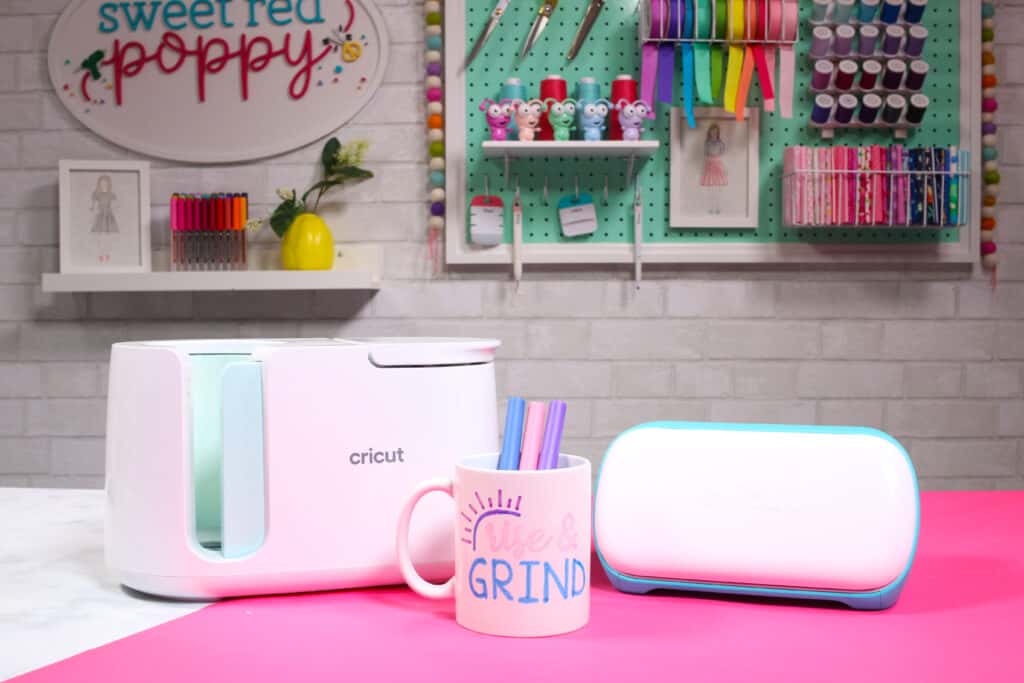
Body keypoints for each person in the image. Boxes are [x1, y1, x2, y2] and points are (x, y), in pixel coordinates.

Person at [700, 123, 728, 215]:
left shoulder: (721, 144)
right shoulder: (707, 144)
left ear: (718, 132)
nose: (714, 133)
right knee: (710, 190)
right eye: (712, 132)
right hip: (710, 167)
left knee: (719, 190)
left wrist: (724, 169)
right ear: (710, 132)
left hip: (718, 167)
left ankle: (718, 208)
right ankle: (711, 208)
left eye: (716, 132)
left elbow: (723, 156)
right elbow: (705, 155)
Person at [90, 175, 118, 263]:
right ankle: (101, 254)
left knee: (108, 237)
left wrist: (115, 207)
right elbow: (93, 206)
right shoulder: (96, 194)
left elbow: (115, 205)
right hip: (100, 216)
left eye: (105, 183)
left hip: (109, 216)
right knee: (100, 236)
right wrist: (94, 210)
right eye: (102, 183)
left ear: (108, 184)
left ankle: (107, 254)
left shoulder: (111, 194)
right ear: (99, 184)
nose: (103, 184)